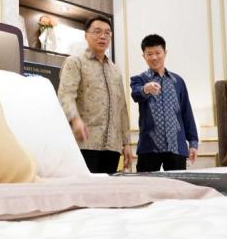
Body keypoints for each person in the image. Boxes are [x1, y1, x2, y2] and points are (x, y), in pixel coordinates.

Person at [57, 15, 132, 174]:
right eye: (97, 31)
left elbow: (122, 109)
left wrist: (126, 143)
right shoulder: (75, 62)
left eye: (107, 33)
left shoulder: (115, 70)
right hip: (85, 142)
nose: (103, 36)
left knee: (107, 188)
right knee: (84, 188)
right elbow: (65, 95)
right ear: (86, 35)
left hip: (112, 147)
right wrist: (75, 119)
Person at [130, 34, 198, 172]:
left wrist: (193, 142)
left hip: (176, 146)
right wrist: (146, 89)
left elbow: (186, 112)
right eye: (149, 54)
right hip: (149, 147)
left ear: (165, 53)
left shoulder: (178, 81)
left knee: (177, 185)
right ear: (144, 56)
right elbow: (136, 94)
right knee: (145, 184)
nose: (154, 57)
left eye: (158, 53)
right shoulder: (139, 80)